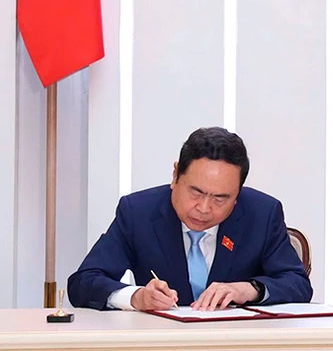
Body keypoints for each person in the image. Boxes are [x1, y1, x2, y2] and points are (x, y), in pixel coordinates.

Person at [68, 127, 312, 311]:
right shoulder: (138, 212)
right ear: (175, 175)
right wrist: (135, 297)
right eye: (195, 192)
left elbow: (297, 283)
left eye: (220, 198)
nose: (204, 208)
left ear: (238, 194)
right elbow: (84, 282)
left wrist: (249, 289)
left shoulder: (262, 214)